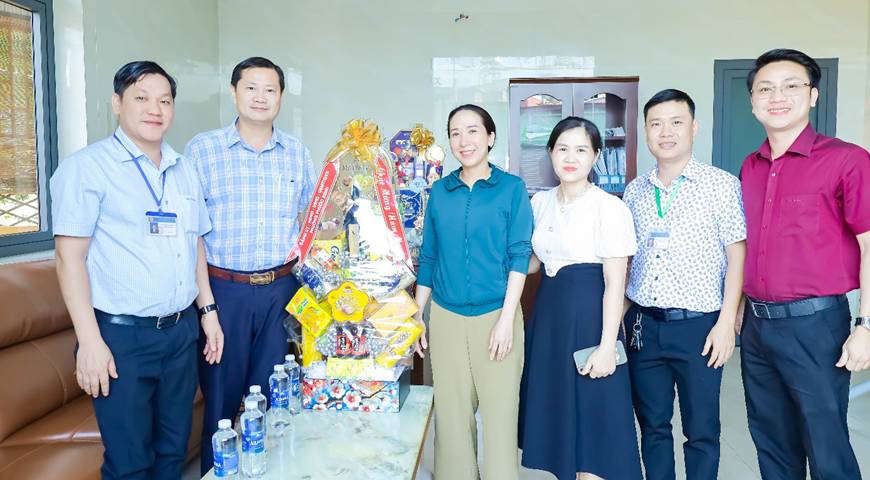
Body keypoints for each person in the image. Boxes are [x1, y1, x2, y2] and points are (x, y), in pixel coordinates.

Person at [51, 61, 224, 479]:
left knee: (173, 452)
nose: (154, 109)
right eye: (141, 98)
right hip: (121, 338)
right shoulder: (87, 168)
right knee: (129, 463)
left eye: (164, 100)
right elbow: (68, 258)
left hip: (180, 332)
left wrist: (208, 312)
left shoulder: (184, 169)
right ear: (117, 103)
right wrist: (90, 342)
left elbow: (194, 244)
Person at [739, 48, 870, 480]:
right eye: (765, 89)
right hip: (757, 326)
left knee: (826, 443)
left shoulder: (847, 159)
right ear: (753, 101)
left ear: (813, 95)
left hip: (816, 326)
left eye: (791, 86)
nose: (777, 97)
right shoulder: (750, 167)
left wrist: (866, 326)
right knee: (771, 441)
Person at [185, 56, 316, 475]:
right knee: (221, 404)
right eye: (251, 88)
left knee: (275, 398)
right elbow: (191, 234)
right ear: (234, 92)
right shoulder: (203, 150)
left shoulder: (296, 153)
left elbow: (311, 222)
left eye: (270, 90)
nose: (261, 97)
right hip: (225, 293)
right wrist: (207, 308)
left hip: (282, 290)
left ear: (281, 97)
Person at [622, 89, 746, 480]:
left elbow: (737, 256)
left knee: (702, 430)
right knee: (653, 426)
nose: (666, 132)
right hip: (644, 325)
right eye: (656, 124)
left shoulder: (720, 185)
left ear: (693, 127)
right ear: (645, 131)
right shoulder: (635, 191)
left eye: (676, 122)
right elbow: (628, 261)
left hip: (700, 326)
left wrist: (727, 323)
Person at [518, 117, 642, 480]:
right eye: (562, 149)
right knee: (559, 420)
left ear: (596, 155)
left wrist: (607, 347)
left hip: (592, 320)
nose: (570, 158)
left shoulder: (609, 207)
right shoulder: (540, 202)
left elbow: (615, 283)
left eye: (581, 150)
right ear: (550, 153)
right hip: (549, 320)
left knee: (595, 426)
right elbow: (535, 261)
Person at [413, 104, 533, 480]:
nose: (463, 141)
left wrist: (506, 320)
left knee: (499, 416)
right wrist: (417, 314)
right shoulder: (440, 191)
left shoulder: (511, 189)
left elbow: (519, 255)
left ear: (490, 137)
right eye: (455, 133)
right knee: (451, 416)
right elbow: (429, 257)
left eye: (472, 131)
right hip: (446, 316)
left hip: (497, 315)